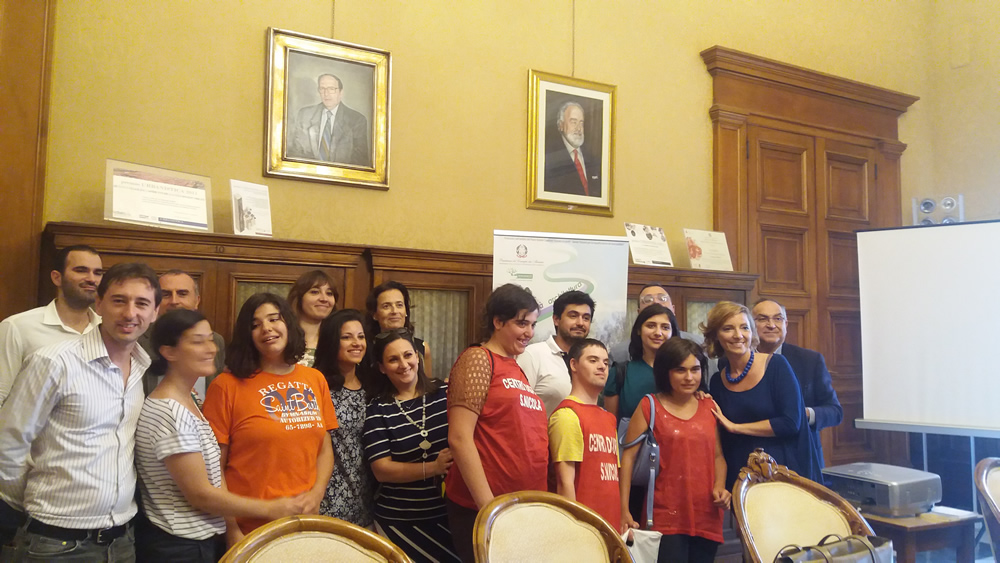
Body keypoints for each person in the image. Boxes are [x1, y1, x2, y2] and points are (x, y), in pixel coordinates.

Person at [0, 262, 160, 562]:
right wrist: (36, 504)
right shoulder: (54, 362)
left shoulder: (142, 366)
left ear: (154, 313)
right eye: (119, 300)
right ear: (99, 304)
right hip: (54, 543)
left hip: (122, 541)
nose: (130, 313)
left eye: (142, 303)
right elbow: (8, 445)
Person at [135, 309, 308, 562]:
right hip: (180, 546)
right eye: (198, 342)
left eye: (210, 339)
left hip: (196, 541)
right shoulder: (170, 411)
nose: (211, 349)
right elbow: (201, 494)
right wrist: (270, 508)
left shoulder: (186, 399)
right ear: (169, 352)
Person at [202, 293, 336, 544]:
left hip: (304, 523)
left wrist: (317, 494)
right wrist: (231, 529)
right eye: (256, 324)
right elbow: (213, 466)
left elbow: (325, 448)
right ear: (247, 335)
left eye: (274, 319)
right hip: (249, 529)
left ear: (288, 324)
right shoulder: (226, 386)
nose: (266, 328)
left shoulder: (315, 379)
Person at [445, 283, 548, 563]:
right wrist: (490, 510)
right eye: (521, 323)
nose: (529, 332)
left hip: (522, 509)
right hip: (484, 510)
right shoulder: (479, 358)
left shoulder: (516, 367)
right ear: (498, 321)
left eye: (533, 324)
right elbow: (459, 438)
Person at [619, 338, 730, 563]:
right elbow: (627, 460)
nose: (689, 377)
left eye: (695, 369)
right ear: (665, 372)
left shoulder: (709, 406)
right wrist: (623, 509)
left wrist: (720, 486)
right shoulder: (650, 405)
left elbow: (718, 456)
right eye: (680, 370)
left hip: (707, 515)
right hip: (664, 515)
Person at [363, 330, 460, 563]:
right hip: (400, 521)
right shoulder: (378, 410)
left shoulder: (447, 394)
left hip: (450, 515)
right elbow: (382, 470)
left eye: (408, 355)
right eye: (393, 359)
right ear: (382, 368)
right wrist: (433, 467)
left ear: (418, 356)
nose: (403, 364)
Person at [703, 301, 818, 488]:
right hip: (740, 475)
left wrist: (736, 427)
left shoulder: (777, 365)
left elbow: (791, 423)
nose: (738, 335)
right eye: (728, 328)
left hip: (782, 473)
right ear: (716, 335)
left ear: (752, 333)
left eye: (744, 328)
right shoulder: (717, 380)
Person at [0, 244, 103, 404]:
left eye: (97, 273)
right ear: (57, 278)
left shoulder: (106, 330)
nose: (91, 279)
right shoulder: (17, 327)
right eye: (81, 270)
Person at [752, 299, 842, 474]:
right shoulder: (737, 361)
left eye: (778, 319)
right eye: (762, 319)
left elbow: (835, 412)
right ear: (750, 324)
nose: (771, 325)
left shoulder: (810, 361)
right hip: (755, 458)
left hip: (802, 458)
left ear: (786, 324)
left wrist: (803, 414)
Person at [312, 309, 376, 527]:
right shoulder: (317, 384)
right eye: (347, 337)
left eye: (361, 336)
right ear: (332, 342)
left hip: (366, 496)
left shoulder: (371, 386)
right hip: (325, 497)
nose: (356, 343)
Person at [548, 339, 620, 528]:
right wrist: (574, 531)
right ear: (574, 365)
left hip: (610, 525)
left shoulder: (609, 418)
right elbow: (565, 483)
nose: (602, 367)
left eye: (606, 362)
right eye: (593, 360)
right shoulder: (567, 415)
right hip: (583, 528)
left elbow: (612, 479)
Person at [139, 269, 226, 397]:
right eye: (166, 294)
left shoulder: (216, 340)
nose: (174, 301)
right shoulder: (138, 341)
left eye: (182, 294)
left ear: (196, 301)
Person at [517, 290, 595, 415]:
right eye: (573, 316)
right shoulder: (533, 355)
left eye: (586, 318)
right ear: (556, 320)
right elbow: (517, 407)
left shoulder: (591, 362)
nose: (580, 323)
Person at [603, 303, 679, 423]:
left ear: (673, 333)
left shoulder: (685, 373)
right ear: (639, 330)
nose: (658, 333)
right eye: (651, 326)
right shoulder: (620, 373)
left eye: (665, 327)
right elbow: (610, 426)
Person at [608, 283, 703, 365]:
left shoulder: (699, 345)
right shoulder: (619, 354)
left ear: (673, 309)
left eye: (662, 298)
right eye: (647, 299)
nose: (656, 302)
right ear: (639, 313)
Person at [288, 73, 370, 167]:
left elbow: (360, 161)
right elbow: (296, 152)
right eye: (322, 89)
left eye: (331, 89)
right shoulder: (304, 115)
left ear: (341, 93)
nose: (326, 94)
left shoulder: (356, 120)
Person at [365, 281, 433, 377]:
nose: (394, 311)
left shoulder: (423, 348)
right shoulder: (364, 349)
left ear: (406, 311)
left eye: (399, 305)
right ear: (374, 314)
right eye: (386, 306)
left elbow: (427, 384)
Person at [545, 101, 601, 197]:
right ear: (561, 125)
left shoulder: (593, 158)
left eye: (581, 123)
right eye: (573, 122)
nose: (579, 128)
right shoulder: (550, 158)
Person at [286, 270, 339, 368]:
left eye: (329, 293)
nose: (324, 299)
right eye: (315, 292)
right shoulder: (283, 339)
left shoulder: (337, 341)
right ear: (299, 297)